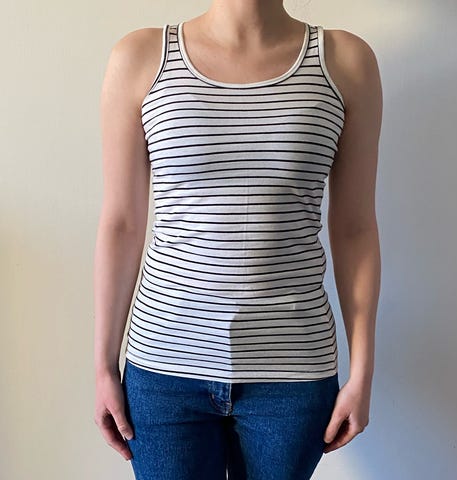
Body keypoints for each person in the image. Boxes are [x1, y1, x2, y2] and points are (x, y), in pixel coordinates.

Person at [94, 0, 382, 478]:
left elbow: (356, 228)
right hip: (164, 369)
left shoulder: (344, 62)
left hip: (292, 372)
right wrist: (104, 365)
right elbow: (121, 223)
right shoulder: (141, 57)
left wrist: (363, 371)